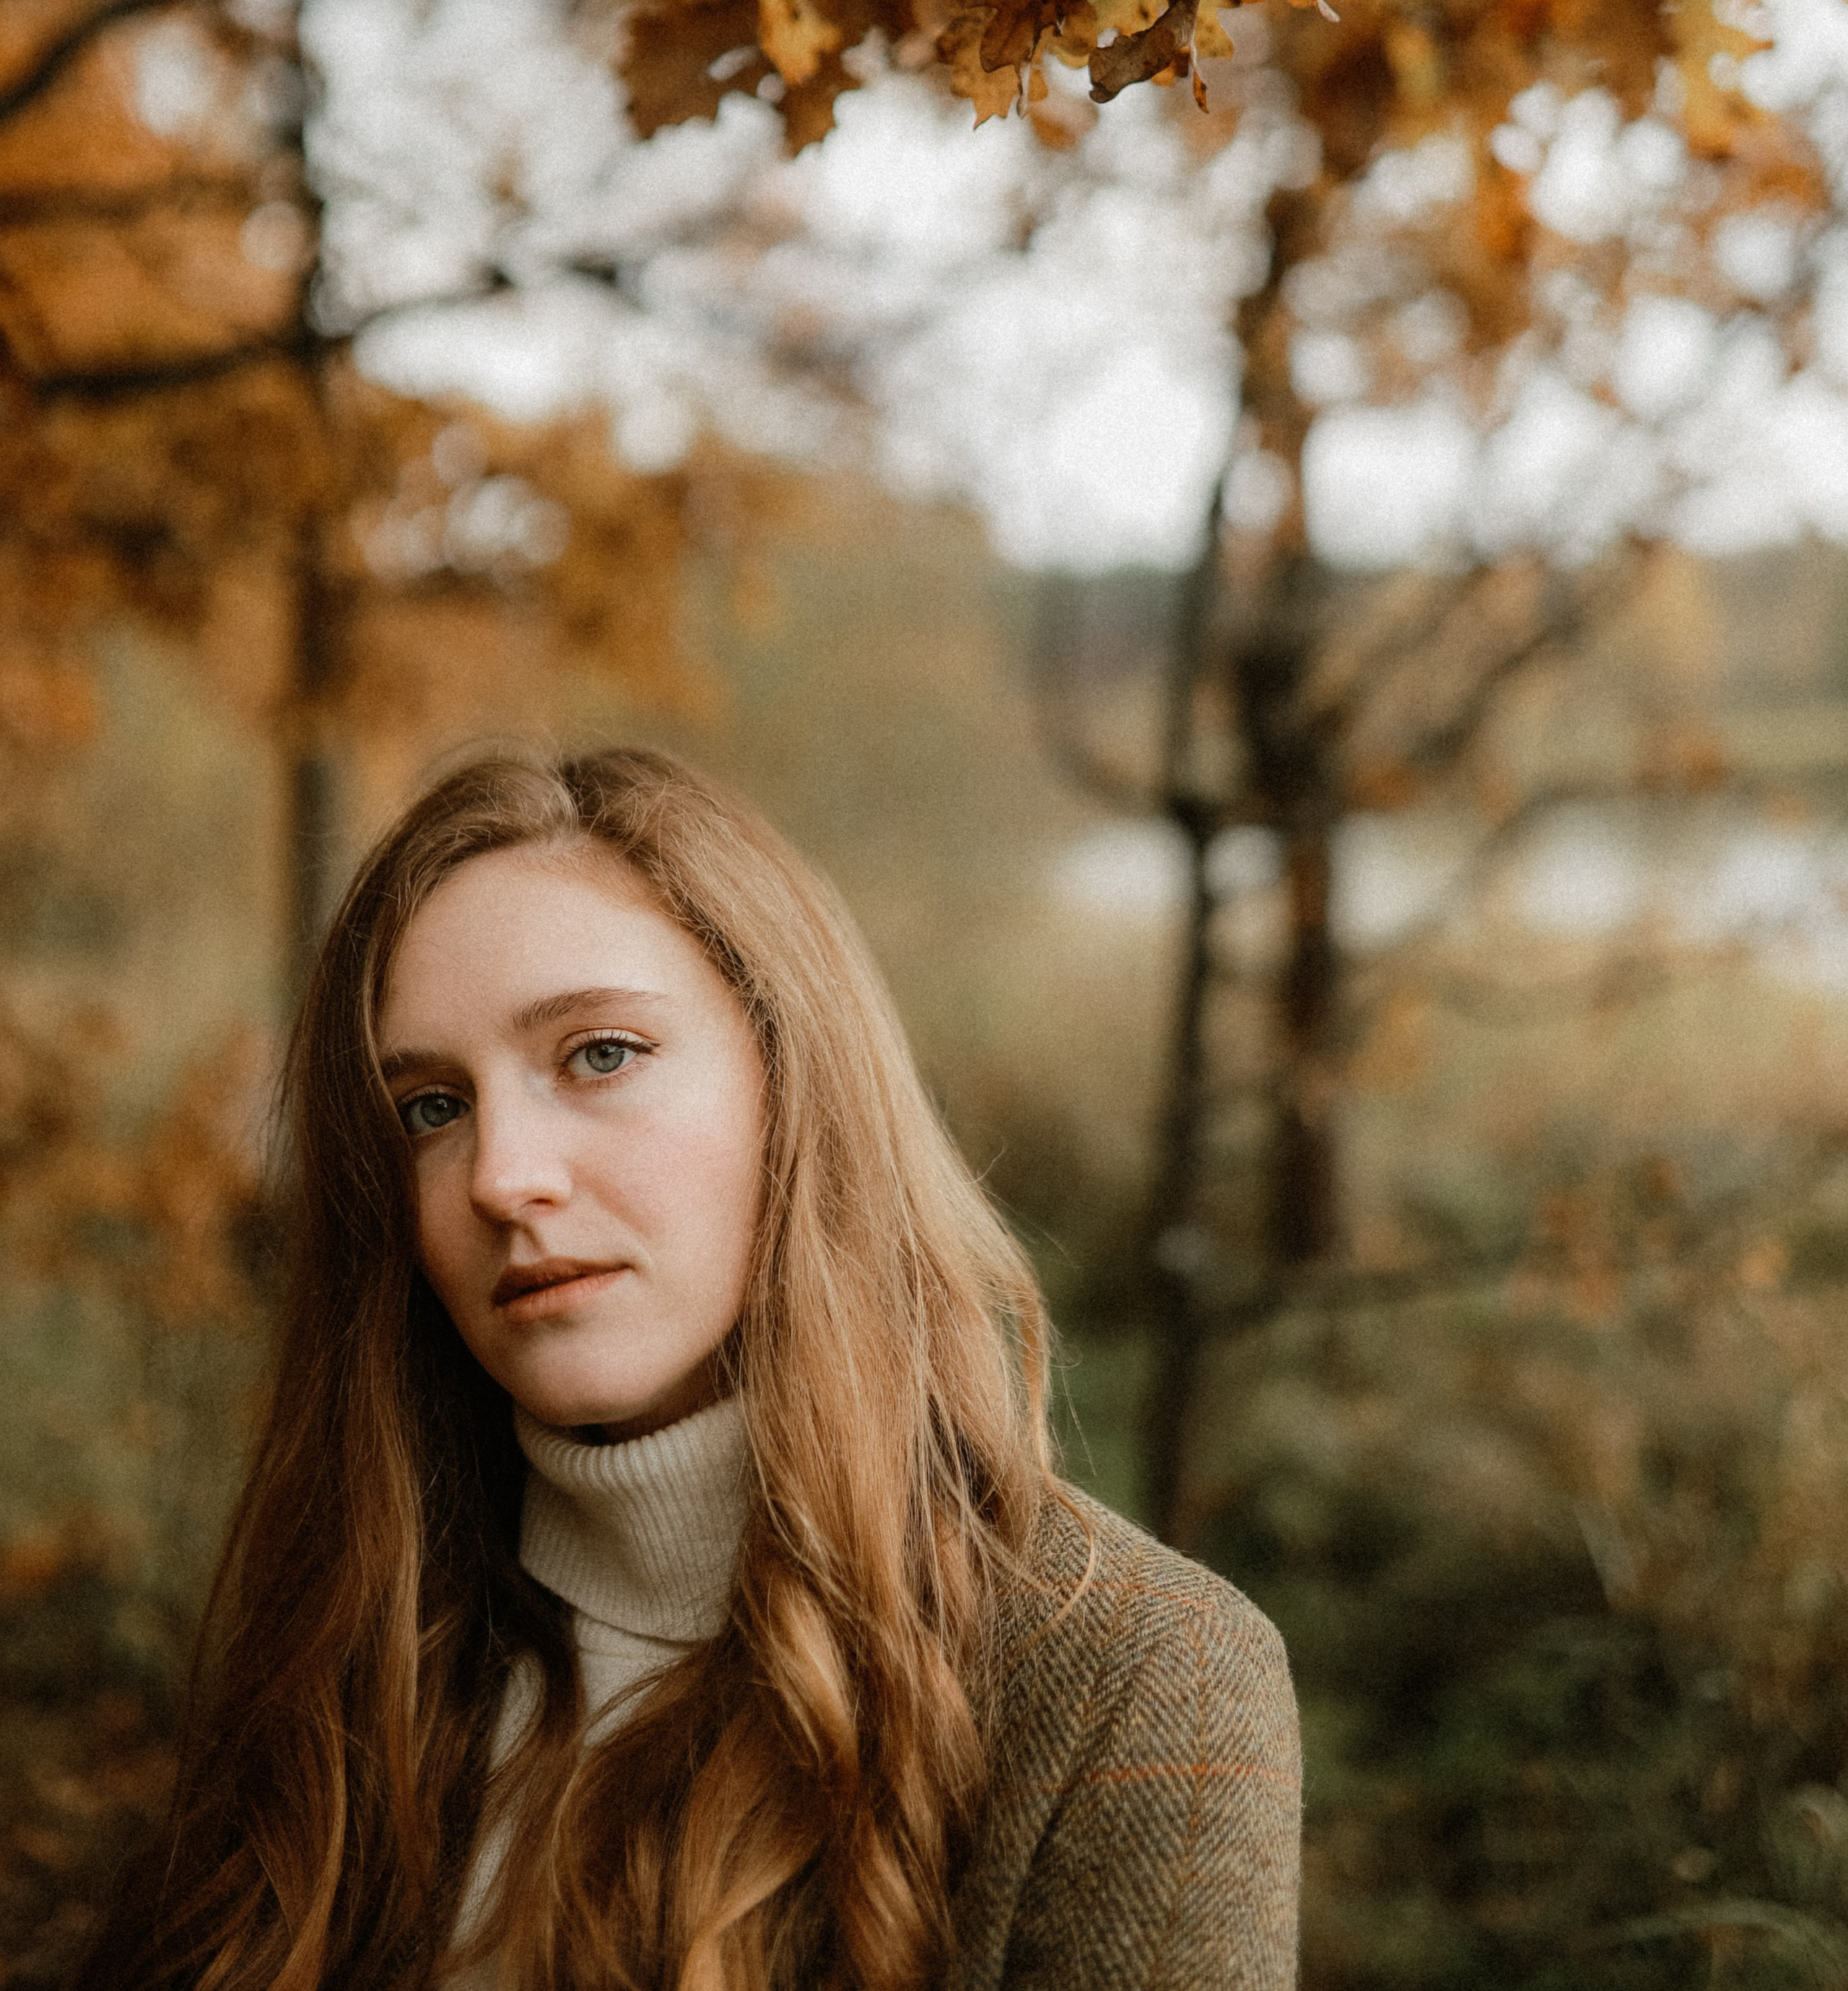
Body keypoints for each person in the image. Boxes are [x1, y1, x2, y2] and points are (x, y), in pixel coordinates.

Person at [82, 746, 1299, 1991]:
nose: (503, 1177)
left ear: (795, 1081)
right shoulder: (354, 1641)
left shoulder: (1136, 1684)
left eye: (599, 1054)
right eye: (430, 1109)